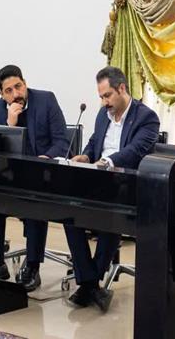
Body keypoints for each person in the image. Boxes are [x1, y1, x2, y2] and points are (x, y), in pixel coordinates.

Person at [64, 66, 159, 313]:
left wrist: (107, 161)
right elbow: (95, 141)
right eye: (101, 97)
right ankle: (92, 283)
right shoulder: (103, 114)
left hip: (127, 184)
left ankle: (88, 284)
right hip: (97, 179)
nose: (104, 102)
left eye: (107, 96)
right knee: (67, 209)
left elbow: (136, 151)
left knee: (111, 210)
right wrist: (86, 156)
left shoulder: (146, 117)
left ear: (122, 88)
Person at [0, 64, 68, 290]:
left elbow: (62, 141)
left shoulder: (46, 100)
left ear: (25, 83)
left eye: (18, 86)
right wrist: (9, 125)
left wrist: (45, 158)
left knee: (34, 199)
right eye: (9, 91)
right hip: (9, 176)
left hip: (43, 173)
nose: (16, 94)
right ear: (2, 95)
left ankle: (32, 265)